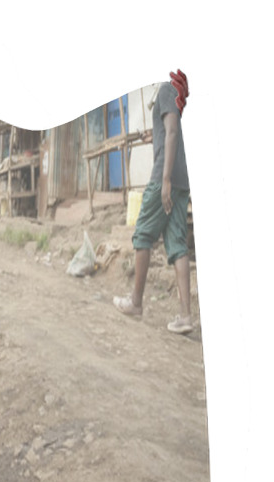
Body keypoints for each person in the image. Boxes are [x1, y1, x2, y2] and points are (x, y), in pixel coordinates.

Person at [113, 73, 193, 334]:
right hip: (183, 180)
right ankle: (185, 316)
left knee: (143, 235)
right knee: (178, 244)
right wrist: (154, 137)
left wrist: (165, 179)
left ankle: (136, 303)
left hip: (165, 179)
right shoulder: (179, 93)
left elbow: (171, 132)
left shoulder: (168, 89)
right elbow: (169, 132)